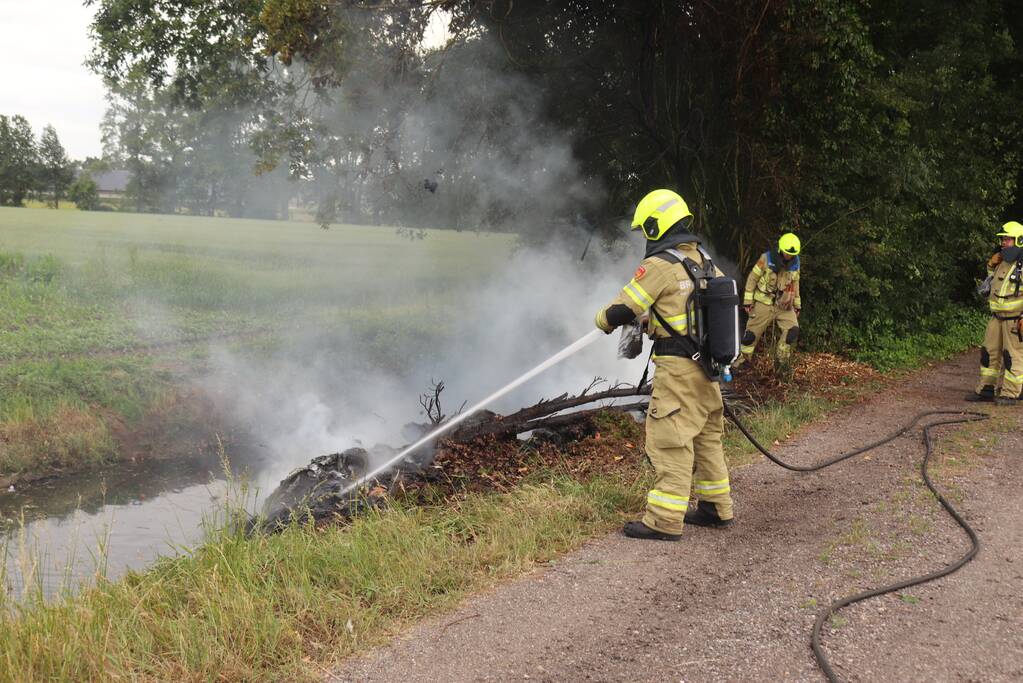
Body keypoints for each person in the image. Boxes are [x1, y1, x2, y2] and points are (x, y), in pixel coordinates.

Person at [594, 189, 734, 541]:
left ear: (657, 225)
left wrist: (601, 320)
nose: (645, 236)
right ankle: (716, 506)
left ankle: (663, 521)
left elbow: (623, 308)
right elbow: (688, 308)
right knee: (706, 437)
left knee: (670, 439)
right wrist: (652, 323)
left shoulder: (660, 265)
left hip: (679, 370)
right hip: (707, 369)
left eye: (646, 229)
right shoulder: (702, 259)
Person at [966, 221, 1023, 405]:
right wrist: (991, 265)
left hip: (1014, 320)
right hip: (996, 318)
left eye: (1008, 239)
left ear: (1019, 241)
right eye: (1003, 239)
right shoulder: (1002, 260)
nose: (1004, 242)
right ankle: (986, 389)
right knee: (988, 353)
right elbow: (994, 282)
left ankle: (1010, 393)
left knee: (1012, 356)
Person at [733, 232, 802, 370]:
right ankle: (741, 363)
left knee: (792, 330)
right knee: (750, 336)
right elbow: (753, 278)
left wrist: (797, 305)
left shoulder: (795, 263)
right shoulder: (766, 258)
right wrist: (747, 301)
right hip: (763, 303)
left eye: (792, 254)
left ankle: (781, 362)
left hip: (784, 305)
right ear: (781, 249)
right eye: (787, 253)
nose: (789, 256)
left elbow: (795, 284)